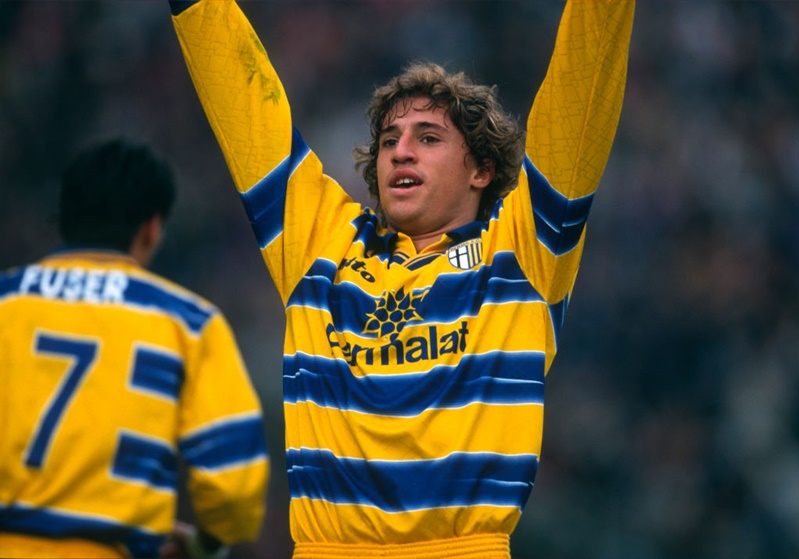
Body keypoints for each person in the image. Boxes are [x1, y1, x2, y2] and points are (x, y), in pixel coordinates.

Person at [169, 0, 634, 557]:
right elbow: (245, 108)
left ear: (482, 170)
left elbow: (579, 91)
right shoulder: (320, 243)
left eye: (428, 138)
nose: (401, 152)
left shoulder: (523, 251)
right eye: (389, 140)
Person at [0, 138, 270, 559]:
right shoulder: (187, 323)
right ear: (152, 227)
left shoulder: (7, 300)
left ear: (65, 216)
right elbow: (234, 484)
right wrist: (207, 543)